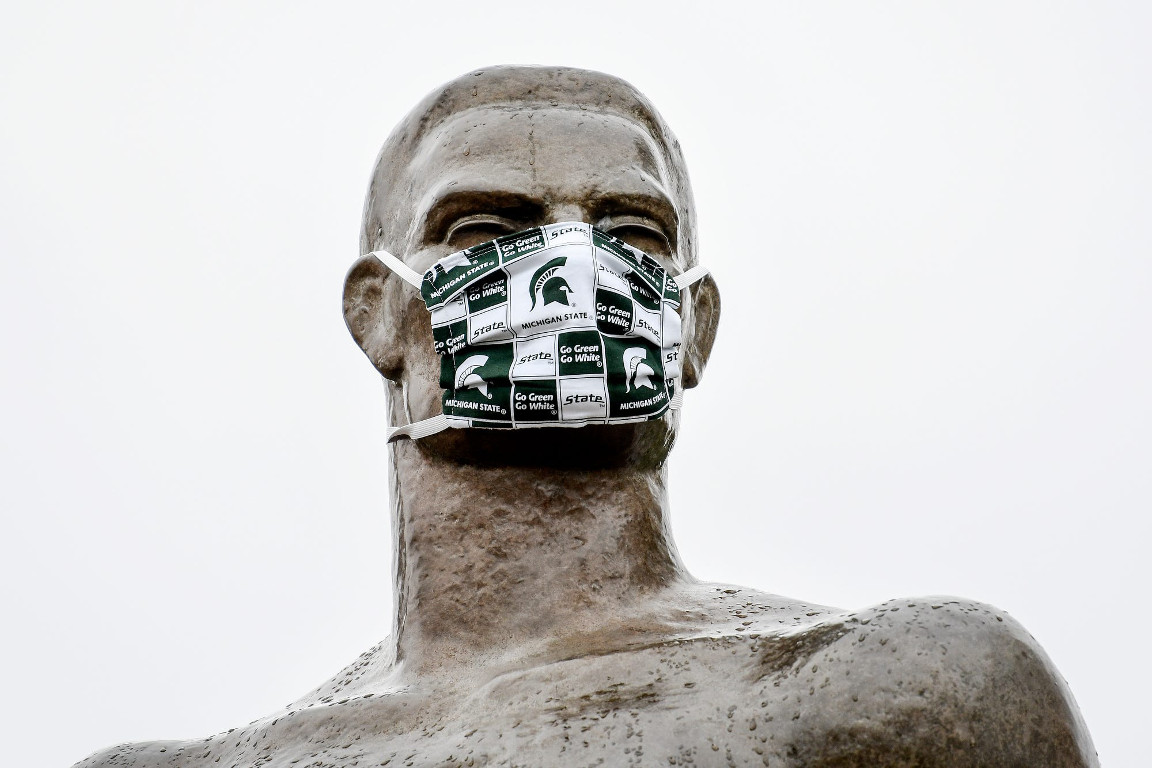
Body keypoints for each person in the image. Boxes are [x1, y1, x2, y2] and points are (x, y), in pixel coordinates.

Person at [76, 66, 1096, 768]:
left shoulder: (888, 698)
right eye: (485, 226)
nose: (573, 266)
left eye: (633, 232)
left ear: (694, 326)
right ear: (379, 313)